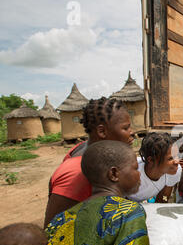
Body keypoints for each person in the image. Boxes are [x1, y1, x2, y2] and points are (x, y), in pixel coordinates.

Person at [29, 140, 155, 245]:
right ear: (114, 174)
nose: (139, 174)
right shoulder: (128, 211)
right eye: (135, 168)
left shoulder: (64, 216)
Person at [44, 97, 135, 227]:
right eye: (126, 128)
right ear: (102, 131)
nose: (132, 133)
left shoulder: (96, 155)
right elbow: (52, 228)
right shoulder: (78, 173)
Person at [127, 132, 182, 203]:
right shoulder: (131, 171)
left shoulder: (175, 171)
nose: (177, 162)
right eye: (170, 158)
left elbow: (164, 197)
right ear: (151, 160)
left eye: (177, 156)